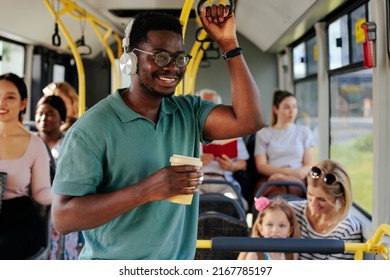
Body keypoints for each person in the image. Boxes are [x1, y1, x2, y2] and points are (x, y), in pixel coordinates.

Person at [51, 6, 265, 260]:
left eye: (179, 58)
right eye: (160, 56)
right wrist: (147, 190)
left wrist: (228, 43)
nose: (172, 67)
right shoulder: (91, 129)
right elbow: (63, 218)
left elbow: (251, 119)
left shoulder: (188, 111)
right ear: (131, 59)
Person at [0, 72, 52, 259]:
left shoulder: (35, 144)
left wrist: (67, 193)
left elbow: (42, 193)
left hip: (17, 220)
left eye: (10, 97)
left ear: (23, 103)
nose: (2, 103)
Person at [34, 95, 81, 260]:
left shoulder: (72, 145)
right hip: (36, 215)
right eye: (40, 113)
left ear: (61, 117)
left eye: (50, 113)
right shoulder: (29, 145)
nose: (43, 118)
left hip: (63, 212)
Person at [289, 160, 362, 260]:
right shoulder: (293, 211)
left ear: (339, 197)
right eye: (310, 194)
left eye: (322, 199)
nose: (313, 203)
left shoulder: (348, 230)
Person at [254, 89, 315, 198]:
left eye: (294, 106)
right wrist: (283, 174)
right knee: (273, 197)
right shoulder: (263, 134)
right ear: (275, 109)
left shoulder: (304, 132)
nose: (292, 111)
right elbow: (261, 166)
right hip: (272, 178)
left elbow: (309, 165)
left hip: (296, 179)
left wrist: (289, 175)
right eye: (287, 107)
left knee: (291, 195)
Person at [197, 88, 249, 210]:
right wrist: (197, 162)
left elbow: (243, 163)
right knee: (190, 205)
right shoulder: (188, 132)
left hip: (224, 181)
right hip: (198, 181)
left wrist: (232, 166)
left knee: (239, 204)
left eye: (212, 107)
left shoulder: (232, 133)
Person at [238, 196, 300, 260]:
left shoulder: (292, 254)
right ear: (261, 229)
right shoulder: (255, 255)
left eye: (282, 226)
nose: (275, 230)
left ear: (290, 230)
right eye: (270, 225)